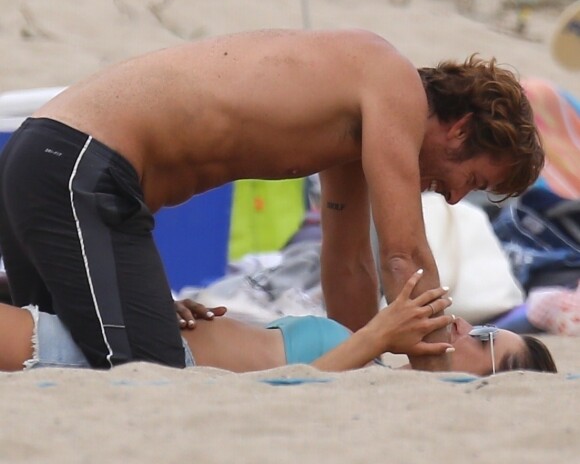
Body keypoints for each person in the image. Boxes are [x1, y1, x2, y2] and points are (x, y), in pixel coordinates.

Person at [0, 29, 544, 371]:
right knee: (146, 371)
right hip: (78, 166)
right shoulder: (392, 83)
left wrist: (360, 356)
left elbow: (350, 265)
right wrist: (436, 364)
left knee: (58, 339)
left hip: (63, 164)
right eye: (469, 178)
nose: (453, 198)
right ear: (460, 129)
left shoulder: (356, 135)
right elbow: (405, 257)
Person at [0, 270, 556, 375]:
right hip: (141, 332)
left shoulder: (369, 375)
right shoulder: (372, 358)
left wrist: (376, 336)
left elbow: (286, 388)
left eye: (484, 338)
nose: (462, 326)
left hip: (115, 358)